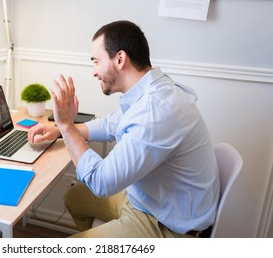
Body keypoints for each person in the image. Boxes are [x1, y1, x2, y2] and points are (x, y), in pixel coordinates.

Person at [28, 20, 219, 238]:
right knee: (74, 198)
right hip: (148, 200)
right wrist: (60, 130)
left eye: (96, 62)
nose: (94, 72)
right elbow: (112, 123)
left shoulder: (155, 111)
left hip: (165, 224)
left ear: (120, 59)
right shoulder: (152, 90)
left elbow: (101, 183)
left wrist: (66, 126)